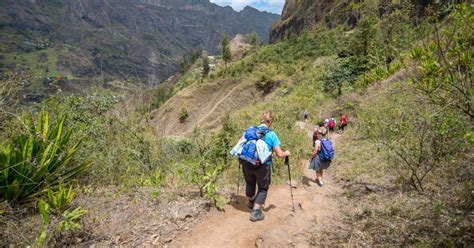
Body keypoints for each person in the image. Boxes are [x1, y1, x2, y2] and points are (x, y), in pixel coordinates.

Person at [239, 111, 290, 222]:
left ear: (261, 120)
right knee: (263, 188)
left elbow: (239, 144)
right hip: (262, 165)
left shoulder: (250, 130)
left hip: (247, 162)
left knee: (250, 183)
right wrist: (286, 153)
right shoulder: (271, 134)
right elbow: (279, 154)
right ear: (270, 122)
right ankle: (256, 212)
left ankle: (251, 201)